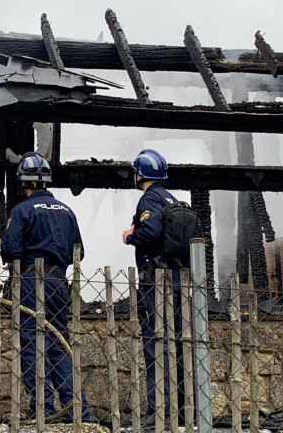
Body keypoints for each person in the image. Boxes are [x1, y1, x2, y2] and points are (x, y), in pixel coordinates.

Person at [1, 152, 94, 423]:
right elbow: (80, 251)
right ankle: (77, 410)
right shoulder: (67, 211)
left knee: (32, 341)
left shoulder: (22, 210)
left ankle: (43, 409)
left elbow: (11, 249)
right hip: (58, 282)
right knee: (58, 343)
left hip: (31, 280)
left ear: (23, 183)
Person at [122, 149, 185, 427]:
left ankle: (159, 410)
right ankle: (183, 408)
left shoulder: (149, 198)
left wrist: (130, 236)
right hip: (176, 280)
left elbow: (151, 233)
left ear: (139, 173)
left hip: (155, 281)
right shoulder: (170, 197)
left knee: (155, 345)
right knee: (180, 345)